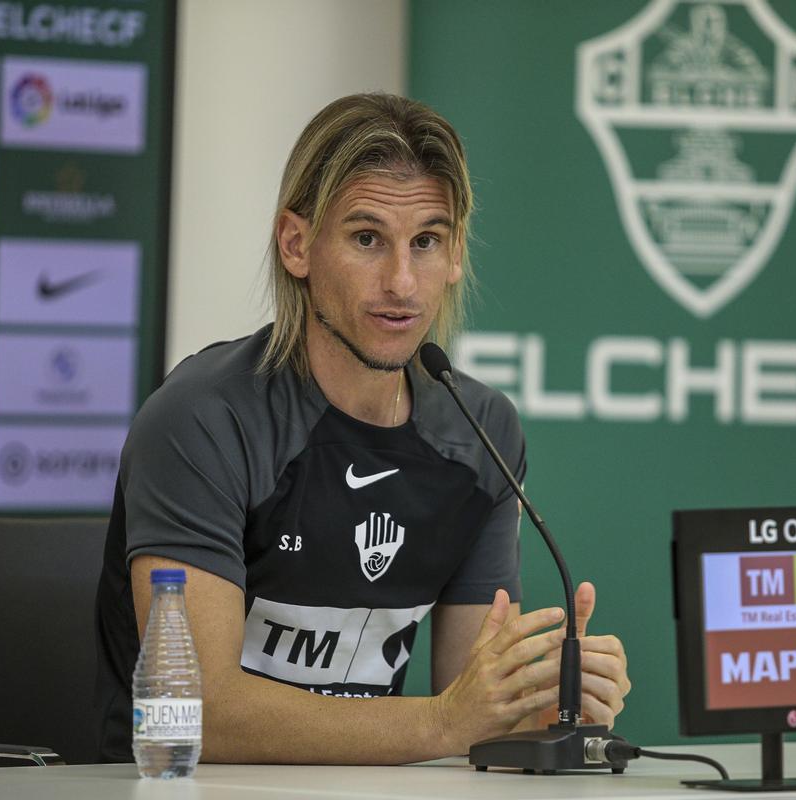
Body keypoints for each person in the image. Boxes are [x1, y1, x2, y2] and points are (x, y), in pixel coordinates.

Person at [94, 93, 630, 765]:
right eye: (367, 239)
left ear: (456, 254)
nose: (402, 283)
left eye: (426, 242)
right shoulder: (203, 418)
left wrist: (545, 708)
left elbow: (474, 716)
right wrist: (440, 724)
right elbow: (194, 713)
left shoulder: (480, 431)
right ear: (297, 245)